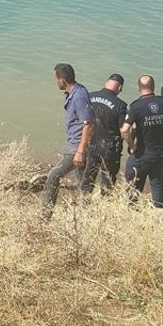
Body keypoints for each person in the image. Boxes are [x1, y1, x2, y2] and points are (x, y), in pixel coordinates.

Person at [121, 75, 163, 208]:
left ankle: (132, 210)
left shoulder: (136, 106)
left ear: (139, 88)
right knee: (157, 186)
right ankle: (159, 212)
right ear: (154, 87)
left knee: (134, 184)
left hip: (143, 152)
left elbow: (125, 130)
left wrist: (132, 146)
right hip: (161, 153)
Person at [42, 63, 95, 217]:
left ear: (62, 80)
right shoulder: (77, 91)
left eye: (56, 79)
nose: (55, 82)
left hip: (77, 146)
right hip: (78, 144)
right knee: (82, 183)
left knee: (53, 175)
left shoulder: (79, 97)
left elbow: (88, 124)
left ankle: (45, 215)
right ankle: (86, 215)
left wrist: (80, 151)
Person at [88, 73, 128, 190]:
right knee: (108, 181)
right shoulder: (120, 105)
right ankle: (105, 199)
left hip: (91, 143)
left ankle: (84, 199)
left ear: (106, 82)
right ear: (120, 88)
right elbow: (123, 130)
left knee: (88, 178)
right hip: (110, 148)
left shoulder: (89, 96)